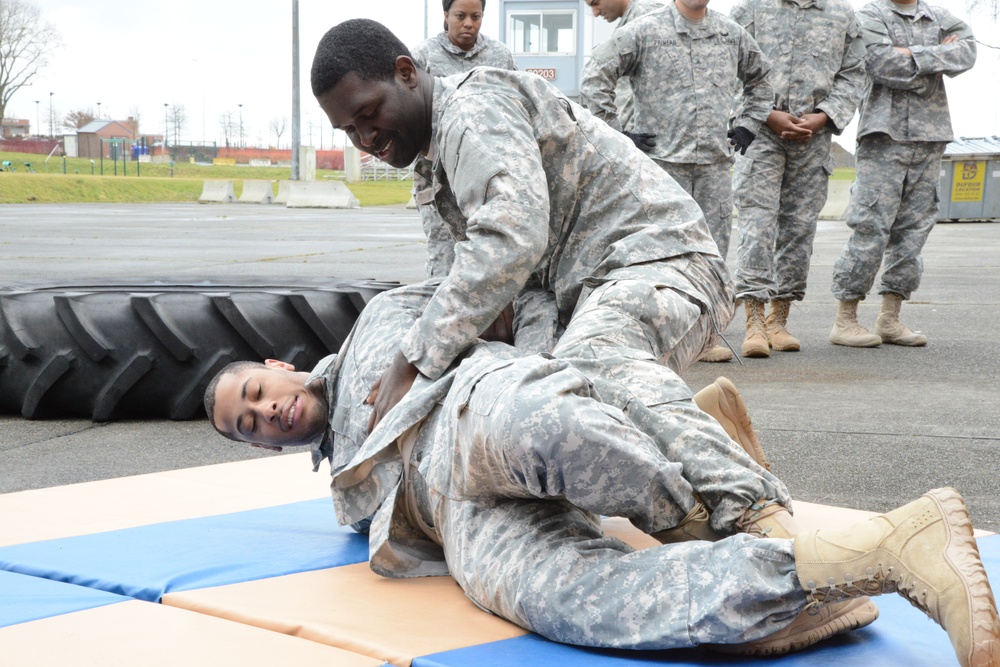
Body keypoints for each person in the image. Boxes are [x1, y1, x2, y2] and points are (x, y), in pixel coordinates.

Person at [204, 282, 1000, 664]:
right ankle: (883, 551)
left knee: (560, 431)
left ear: (278, 365)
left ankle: (712, 476)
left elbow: (511, 285)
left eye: (254, 391)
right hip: (461, 516)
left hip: (471, 407)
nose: (263, 411)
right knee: (574, 604)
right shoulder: (346, 492)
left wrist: (545, 361)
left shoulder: (382, 316)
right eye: (247, 425)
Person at [579, 0, 774, 364]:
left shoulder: (731, 34)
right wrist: (618, 134)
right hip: (662, 167)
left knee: (710, 257)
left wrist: (749, 122)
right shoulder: (644, 30)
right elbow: (596, 74)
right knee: (658, 257)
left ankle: (704, 337)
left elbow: (762, 79)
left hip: (714, 166)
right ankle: (656, 336)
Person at [828, 0, 975, 348]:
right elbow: (880, 64)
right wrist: (937, 55)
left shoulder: (939, 16)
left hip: (930, 136)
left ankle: (890, 318)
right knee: (871, 227)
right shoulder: (870, 15)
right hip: (884, 137)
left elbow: (967, 53)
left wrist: (911, 54)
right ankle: (845, 319)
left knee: (914, 231)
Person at [729, 0, 866, 358]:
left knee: (799, 228)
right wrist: (766, 113)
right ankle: (754, 318)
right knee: (757, 223)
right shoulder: (750, 10)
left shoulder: (842, 15)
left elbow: (854, 73)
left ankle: (779, 317)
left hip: (812, 138)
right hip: (761, 135)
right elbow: (725, 68)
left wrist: (824, 116)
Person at [410, 0, 518, 278]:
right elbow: (408, 111)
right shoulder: (423, 57)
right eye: (460, 16)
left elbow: (517, 106)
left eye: (476, 16)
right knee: (444, 259)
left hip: (487, 175)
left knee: (489, 256)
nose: (468, 23)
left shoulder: (500, 56)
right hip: (437, 176)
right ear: (446, 15)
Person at [583, 0, 665, 135]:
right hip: (635, 137)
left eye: (596, 3)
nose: (595, 13)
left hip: (651, 138)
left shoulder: (647, 17)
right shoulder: (631, 21)